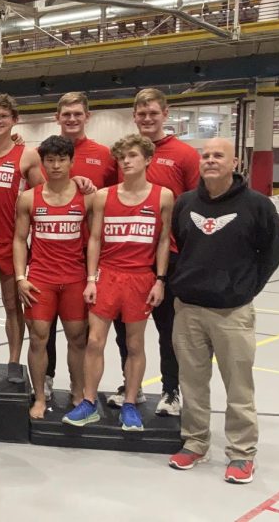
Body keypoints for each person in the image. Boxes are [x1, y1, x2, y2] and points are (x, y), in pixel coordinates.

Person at [167, 137, 279, 484]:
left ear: (235, 163)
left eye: (219, 155)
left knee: (239, 387)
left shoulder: (258, 206)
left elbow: (272, 254)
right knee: (192, 383)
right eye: (205, 156)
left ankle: (242, 453)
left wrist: (244, 290)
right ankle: (195, 443)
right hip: (188, 310)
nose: (211, 160)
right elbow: (178, 246)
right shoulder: (185, 203)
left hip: (232, 313)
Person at [63, 134, 173, 431]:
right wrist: (91, 279)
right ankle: (87, 403)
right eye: (122, 157)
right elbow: (95, 238)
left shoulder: (163, 196)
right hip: (107, 276)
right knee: (94, 340)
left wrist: (160, 280)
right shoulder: (104, 196)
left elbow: (164, 241)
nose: (126, 161)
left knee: (135, 343)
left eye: (132, 155)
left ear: (148, 159)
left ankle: (130, 403)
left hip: (140, 276)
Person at [110, 88, 200, 416]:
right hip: (128, 256)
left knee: (168, 329)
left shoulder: (185, 154)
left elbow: (195, 204)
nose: (147, 118)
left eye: (153, 113)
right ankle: (129, 384)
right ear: (134, 116)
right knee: (125, 330)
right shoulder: (124, 153)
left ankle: (171, 390)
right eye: (141, 113)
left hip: (171, 256)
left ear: (165, 113)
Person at [43, 92, 116, 398]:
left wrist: (92, 190)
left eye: (77, 114)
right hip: (51, 249)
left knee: (82, 331)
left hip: (90, 254)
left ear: (88, 116)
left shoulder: (104, 154)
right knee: (42, 326)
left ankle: (82, 389)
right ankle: (45, 377)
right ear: (58, 117)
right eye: (66, 114)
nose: (71, 119)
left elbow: (117, 195)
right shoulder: (43, 152)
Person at [14, 135, 91, 419]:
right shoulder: (28, 198)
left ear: (72, 161)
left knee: (77, 338)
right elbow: (19, 240)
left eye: (61, 159)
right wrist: (21, 277)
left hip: (74, 278)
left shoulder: (88, 196)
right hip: (41, 280)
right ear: (43, 163)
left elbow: (95, 239)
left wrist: (93, 277)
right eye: (50, 160)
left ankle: (78, 392)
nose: (56, 165)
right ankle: (40, 396)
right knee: (38, 338)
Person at [0, 94, 44, 383]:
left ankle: (14, 361)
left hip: (11, 241)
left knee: (13, 305)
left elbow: (43, 196)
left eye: (3, 116)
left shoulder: (26, 155)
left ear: (15, 120)